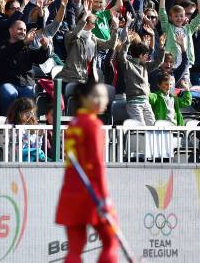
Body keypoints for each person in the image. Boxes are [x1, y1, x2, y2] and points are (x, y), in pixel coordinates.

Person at [56, 80, 119, 263]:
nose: (101, 101)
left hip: (69, 193)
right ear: (83, 98)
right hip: (91, 193)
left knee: (75, 248)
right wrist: (105, 197)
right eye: (96, 96)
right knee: (110, 242)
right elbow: (97, 164)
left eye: (104, 96)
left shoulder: (73, 124)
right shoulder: (93, 125)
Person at [0, 20, 51, 114]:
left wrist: (44, 47)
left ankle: (27, 124)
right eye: (20, 29)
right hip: (8, 82)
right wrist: (24, 42)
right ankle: (7, 122)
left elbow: (39, 59)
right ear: (11, 31)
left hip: (26, 83)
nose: (23, 32)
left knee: (29, 93)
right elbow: (6, 54)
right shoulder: (1, 45)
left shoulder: (26, 48)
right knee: (8, 92)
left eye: (24, 30)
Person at [6, 97, 46, 162]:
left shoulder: (31, 124)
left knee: (37, 154)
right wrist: (21, 128)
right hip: (16, 155)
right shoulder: (10, 124)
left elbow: (35, 147)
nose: (30, 115)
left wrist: (39, 136)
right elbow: (17, 146)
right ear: (18, 112)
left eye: (32, 113)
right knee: (38, 154)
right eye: (27, 112)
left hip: (30, 156)